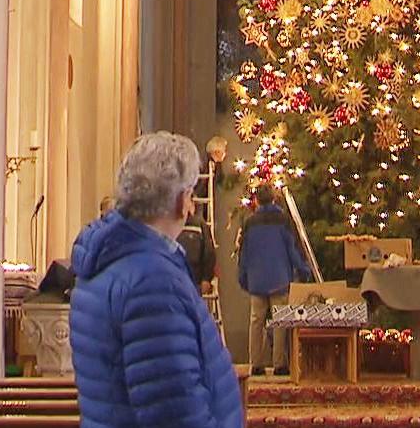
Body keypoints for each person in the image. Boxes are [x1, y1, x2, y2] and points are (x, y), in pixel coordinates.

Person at [71, 131, 242, 428]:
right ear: (181, 200)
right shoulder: (152, 283)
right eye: (189, 195)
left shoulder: (107, 261)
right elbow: (176, 411)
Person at [238, 183, 311, 376]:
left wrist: (243, 277)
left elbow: (244, 254)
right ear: (274, 198)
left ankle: (256, 364)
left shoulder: (250, 222)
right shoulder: (283, 220)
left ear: (256, 201)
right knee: (281, 322)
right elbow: (292, 250)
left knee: (256, 322)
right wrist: (303, 270)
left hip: (256, 279)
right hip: (280, 279)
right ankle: (280, 364)